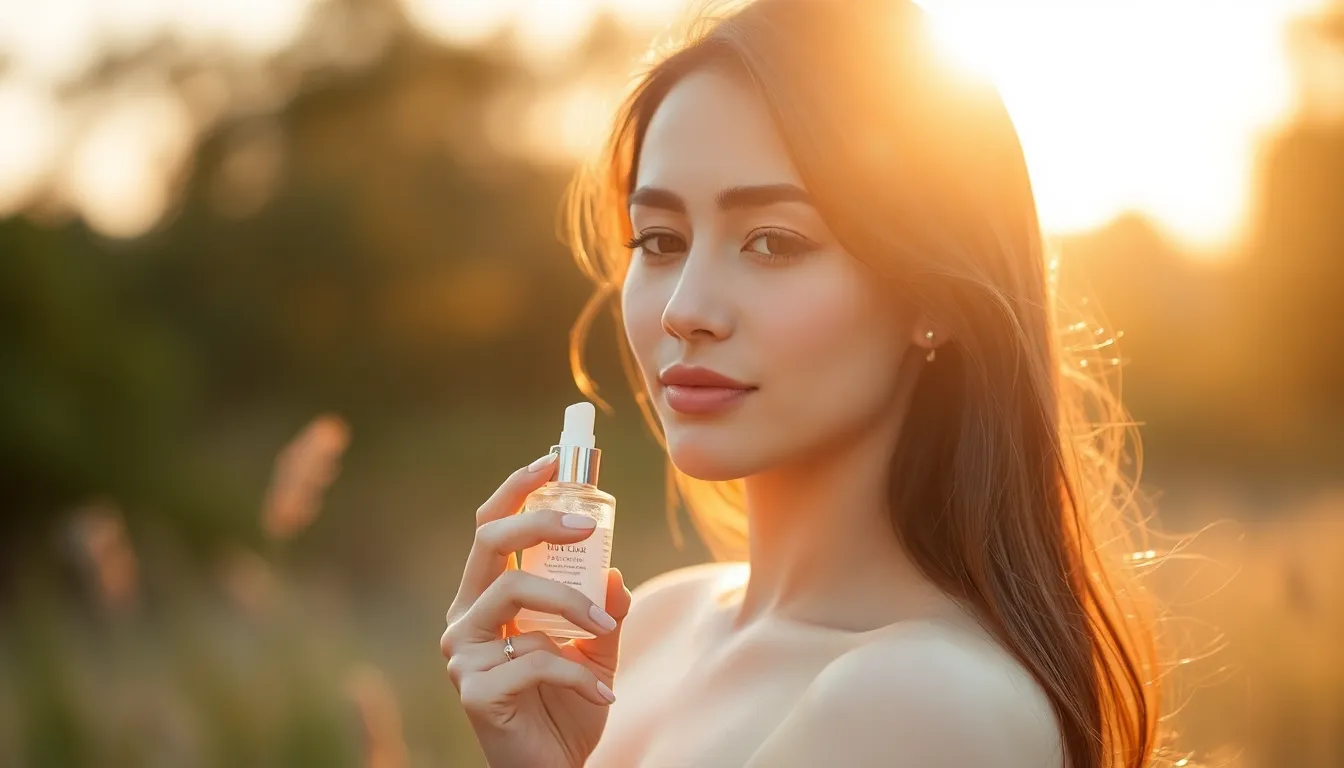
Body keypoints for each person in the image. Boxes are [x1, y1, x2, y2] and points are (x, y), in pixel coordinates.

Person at [440, 0, 1163, 765]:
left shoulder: (924, 702)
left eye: (772, 241)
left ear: (933, 297)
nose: (685, 310)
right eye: (660, 239)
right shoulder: (650, 627)